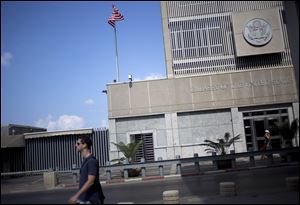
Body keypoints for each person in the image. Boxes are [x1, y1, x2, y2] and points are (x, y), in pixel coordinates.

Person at [69, 136, 105, 204]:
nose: (75, 145)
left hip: (92, 200)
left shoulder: (91, 161)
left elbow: (90, 181)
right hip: (85, 199)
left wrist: (76, 196)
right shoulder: (86, 161)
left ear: (85, 145)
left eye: (78, 143)